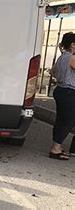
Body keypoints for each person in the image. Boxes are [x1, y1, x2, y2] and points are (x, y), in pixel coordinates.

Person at [48, 32, 75, 160]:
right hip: (70, 92)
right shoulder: (72, 57)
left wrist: (63, 77)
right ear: (73, 44)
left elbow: (52, 72)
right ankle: (55, 148)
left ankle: (57, 146)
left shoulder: (62, 57)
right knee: (69, 121)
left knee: (61, 119)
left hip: (60, 90)